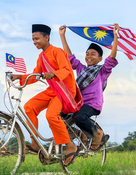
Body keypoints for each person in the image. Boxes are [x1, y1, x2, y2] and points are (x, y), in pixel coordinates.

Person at [10, 24, 83, 167]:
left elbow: (67, 70)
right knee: (29, 106)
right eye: (33, 39)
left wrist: (53, 74)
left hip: (64, 90)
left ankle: (70, 145)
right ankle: (35, 143)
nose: (34, 42)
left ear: (46, 37)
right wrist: (19, 76)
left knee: (51, 115)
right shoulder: (41, 56)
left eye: (37, 38)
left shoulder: (58, 52)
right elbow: (35, 75)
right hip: (53, 90)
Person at [59, 24, 119, 150]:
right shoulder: (81, 69)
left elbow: (112, 57)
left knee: (79, 117)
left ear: (100, 58)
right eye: (87, 54)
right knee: (59, 115)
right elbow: (69, 57)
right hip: (79, 103)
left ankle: (97, 134)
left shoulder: (102, 70)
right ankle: (77, 134)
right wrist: (62, 35)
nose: (89, 56)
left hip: (92, 104)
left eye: (93, 54)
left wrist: (115, 36)